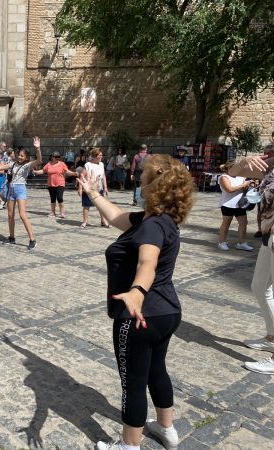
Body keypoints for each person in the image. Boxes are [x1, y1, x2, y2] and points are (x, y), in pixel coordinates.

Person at [78, 154, 194, 450]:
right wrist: (93, 193)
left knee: (133, 382)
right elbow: (117, 217)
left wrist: (137, 291)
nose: (138, 178)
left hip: (141, 315)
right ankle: (166, 429)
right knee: (157, 370)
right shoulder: (156, 220)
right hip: (167, 311)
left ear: (153, 182)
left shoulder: (152, 227)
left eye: (142, 175)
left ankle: (129, 446)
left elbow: (147, 262)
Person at [229, 153, 274, 375]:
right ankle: (271, 337)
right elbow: (232, 174)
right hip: (267, 236)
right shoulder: (270, 165)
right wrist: (242, 162)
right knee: (259, 287)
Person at [0, 137, 42, 250]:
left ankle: (32, 240)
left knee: (22, 215)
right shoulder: (13, 164)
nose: (19, 157)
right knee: (10, 215)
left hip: (20, 189)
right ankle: (11, 238)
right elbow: (0, 167)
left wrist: (38, 149)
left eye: (22, 156)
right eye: (19, 155)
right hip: (11, 189)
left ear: (26, 158)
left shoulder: (27, 165)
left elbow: (39, 160)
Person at [217, 160, 253, 252]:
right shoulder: (223, 177)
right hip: (227, 204)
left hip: (239, 204)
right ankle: (222, 242)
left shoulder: (241, 177)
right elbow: (229, 189)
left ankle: (241, 243)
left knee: (243, 223)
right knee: (226, 224)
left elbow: (244, 188)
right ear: (228, 168)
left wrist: (250, 185)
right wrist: (243, 185)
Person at [32, 151, 78, 218]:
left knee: (59, 198)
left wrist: (74, 173)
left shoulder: (62, 164)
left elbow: (67, 171)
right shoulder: (48, 164)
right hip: (51, 184)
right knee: (52, 198)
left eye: (58, 157)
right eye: (56, 157)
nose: (57, 158)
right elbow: (43, 171)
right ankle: (52, 212)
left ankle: (62, 212)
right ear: (52, 157)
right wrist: (35, 172)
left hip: (60, 183)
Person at [78, 148, 109, 228]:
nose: (101, 156)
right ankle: (85, 222)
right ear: (95, 156)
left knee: (101, 205)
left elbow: (104, 176)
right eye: (100, 155)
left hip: (99, 188)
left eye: (101, 155)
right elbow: (82, 176)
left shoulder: (101, 164)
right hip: (89, 189)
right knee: (86, 205)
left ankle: (103, 221)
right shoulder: (88, 165)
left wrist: (105, 187)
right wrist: (80, 188)